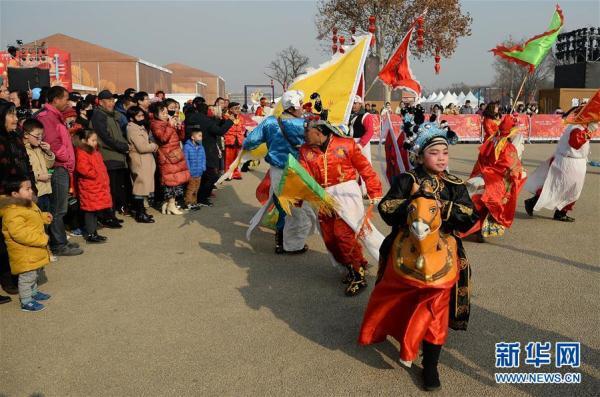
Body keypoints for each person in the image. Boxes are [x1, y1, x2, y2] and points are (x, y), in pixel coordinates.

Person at [358, 123, 478, 391]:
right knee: (397, 301)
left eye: (445, 153)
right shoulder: (406, 180)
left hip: (441, 255)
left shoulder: (455, 184)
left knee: (436, 312)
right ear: (420, 155)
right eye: (435, 153)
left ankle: (431, 364)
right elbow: (387, 208)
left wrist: (440, 207)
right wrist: (415, 204)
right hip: (405, 251)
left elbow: (469, 215)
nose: (442, 158)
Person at [299, 121, 383, 296]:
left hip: (346, 193)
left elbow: (365, 168)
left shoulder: (346, 144)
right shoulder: (305, 150)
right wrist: (296, 197)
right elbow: (302, 175)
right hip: (321, 196)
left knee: (342, 234)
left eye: (308, 130)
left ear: (320, 132)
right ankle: (353, 263)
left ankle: (357, 274)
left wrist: (374, 191)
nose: (304, 133)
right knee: (329, 238)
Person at [242, 90, 312, 254]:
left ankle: (280, 242)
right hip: (297, 171)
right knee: (297, 208)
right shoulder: (304, 125)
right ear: (294, 107)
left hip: (276, 171)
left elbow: (250, 141)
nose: (302, 107)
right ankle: (293, 245)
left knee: (282, 206)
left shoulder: (270, 122)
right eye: (300, 104)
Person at [524, 96, 600, 222]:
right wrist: (588, 132)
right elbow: (575, 142)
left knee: (572, 190)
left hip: (576, 162)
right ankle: (534, 202)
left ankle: (561, 212)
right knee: (557, 187)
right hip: (568, 162)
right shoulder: (578, 128)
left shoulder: (580, 127)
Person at [463, 115, 527, 241]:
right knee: (503, 194)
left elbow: (482, 157)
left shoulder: (492, 139)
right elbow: (511, 165)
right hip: (496, 176)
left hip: (484, 172)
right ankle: (485, 226)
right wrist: (519, 172)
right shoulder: (508, 147)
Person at [36, 86, 83, 256]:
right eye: (65, 98)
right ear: (55, 99)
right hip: (56, 167)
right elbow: (53, 145)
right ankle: (58, 245)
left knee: (60, 208)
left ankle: (61, 241)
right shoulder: (47, 117)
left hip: (61, 166)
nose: (68, 102)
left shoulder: (55, 117)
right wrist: (66, 158)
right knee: (58, 208)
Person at [0, 177, 52, 312]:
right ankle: (26, 301)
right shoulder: (12, 212)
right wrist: (42, 239)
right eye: (27, 189)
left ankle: (33, 293)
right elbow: (19, 234)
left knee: (34, 274)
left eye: (31, 188)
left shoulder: (28, 203)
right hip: (23, 252)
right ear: (15, 194)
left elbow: (35, 216)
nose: (31, 191)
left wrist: (44, 217)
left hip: (32, 250)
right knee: (27, 277)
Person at [90, 90, 131, 221]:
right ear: (101, 102)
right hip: (109, 156)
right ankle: (109, 215)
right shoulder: (99, 115)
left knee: (118, 186)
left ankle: (114, 212)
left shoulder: (113, 115)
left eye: (112, 100)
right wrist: (123, 146)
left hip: (118, 156)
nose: (111, 103)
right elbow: (105, 138)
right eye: (108, 101)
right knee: (111, 188)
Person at [185, 98, 233, 206]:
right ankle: (202, 197)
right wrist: (230, 121)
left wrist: (218, 119)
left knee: (198, 177)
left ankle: (195, 198)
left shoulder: (190, 118)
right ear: (207, 110)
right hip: (207, 150)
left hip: (192, 149)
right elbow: (219, 131)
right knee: (211, 175)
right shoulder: (206, 120)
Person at [150, 102, 190, 215]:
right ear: (156, 114)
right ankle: (171, 205)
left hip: (175, 154)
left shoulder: (166, 123)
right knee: (171, 182)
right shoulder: (156, 124)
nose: (165, 114)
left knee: (176, 181)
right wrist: (170, 125)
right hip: (167, 156)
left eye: (166, 112)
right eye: (162, 112)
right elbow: (163, 138)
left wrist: (179, 126)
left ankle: (168, 205)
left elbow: (181, 137)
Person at [74, 130, 111, 243]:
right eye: (93, 140)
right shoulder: (82, 152)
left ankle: (94, 232)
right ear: (84, 141)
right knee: (90, 211)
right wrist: (95, 174)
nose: (95, 142)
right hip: (89, 186)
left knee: (94, 211)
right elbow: (83, 168)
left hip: (96, 184)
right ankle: (91, 234)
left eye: (96, 140)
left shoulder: (94, 152)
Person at [126, 106, 158, 223]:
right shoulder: (133, 129)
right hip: (140, 160)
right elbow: (142, 147)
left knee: (143, 187)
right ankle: (140, 213)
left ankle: (142, 211)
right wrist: (154, 146)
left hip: (144, 160)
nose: (141, 118)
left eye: (142, 115)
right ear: (131, 118)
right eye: (138, 116)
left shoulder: (138, 127)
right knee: (140, 187)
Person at [22, 119, 55, 212]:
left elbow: (49, 165)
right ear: (26, 135)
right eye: (37, 135)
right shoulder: (23, 150)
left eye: (41, 135)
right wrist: (39, 177)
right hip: (35, 192)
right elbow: (24, 172)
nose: (40, 138)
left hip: (46, 190)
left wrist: (48, 152)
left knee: (47, 219)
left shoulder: (39, 148)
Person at [348, 95, 375, 195]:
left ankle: (368, 190)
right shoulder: (349, 115)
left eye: (355, 103)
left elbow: (370, 131)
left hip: (361, 143)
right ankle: (355, 190)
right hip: (351, 143)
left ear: (360, 104)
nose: (353, 105)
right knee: (351, 167)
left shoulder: (366, 116)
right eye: (352, 103)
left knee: (365, 167)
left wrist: (361, 144)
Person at [183, 130, 206, 210]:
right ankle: (188, 203)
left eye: (201, 136)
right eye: (199, 136)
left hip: (199, 172)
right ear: (193, 137)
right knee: (191, 188)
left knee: (196, 188)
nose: (201, 138)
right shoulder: (187, 147)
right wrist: (188, 170)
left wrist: (203, 167)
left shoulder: (201, 147)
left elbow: (203, 158)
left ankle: (194, 202)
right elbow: (186, 160)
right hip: (191, 173)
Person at [223, 102, 245, 180]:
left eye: (238, 108)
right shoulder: (225, 117)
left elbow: (242, 128)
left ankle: (236, 174)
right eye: (236, 108)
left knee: (237, 159)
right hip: (229, 140)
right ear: (230, 109)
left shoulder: (241, 118)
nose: (238, 110)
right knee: (229, 159)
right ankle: (228, 174)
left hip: (238, 140)